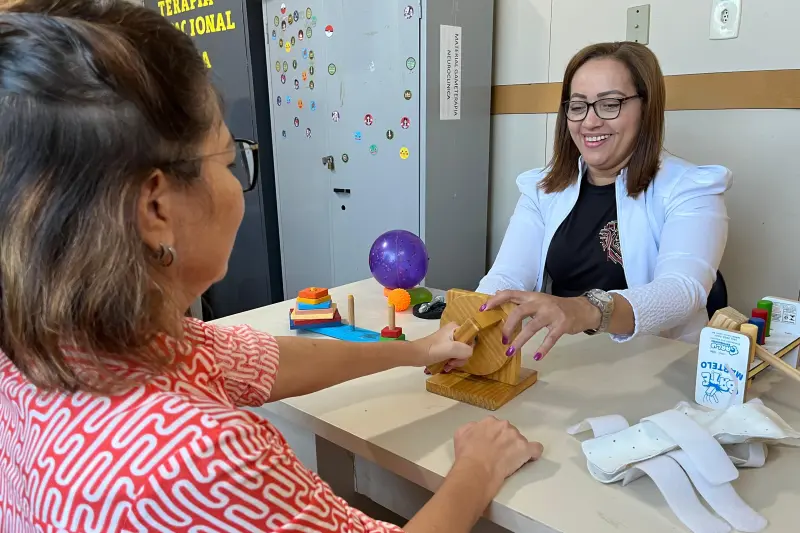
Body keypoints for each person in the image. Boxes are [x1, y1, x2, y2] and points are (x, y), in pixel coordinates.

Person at [0, 1, 543, 531]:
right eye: (230, 158)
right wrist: (478, 467)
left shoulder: (61, 347)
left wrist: (419, 351)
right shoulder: (197, 462)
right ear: (156, 209)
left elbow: (266, 359)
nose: (239, 182)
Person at [478, 41, 731, 359]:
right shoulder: (542, 188)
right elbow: (507, 276)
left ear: (646, 107)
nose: (589, 122)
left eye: (610, 104)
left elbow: (682, 290)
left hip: (658, 366)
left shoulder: (691, 188)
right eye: (578, 105)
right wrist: (471, 319)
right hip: (567, 359)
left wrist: (587, 309)